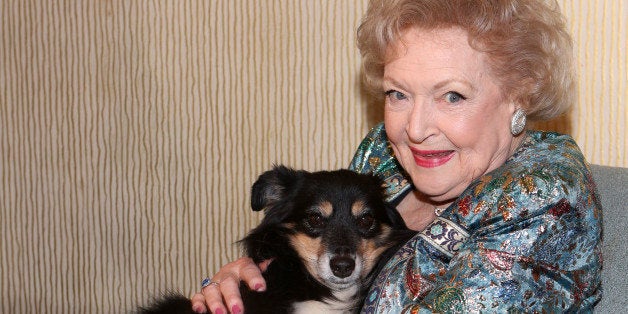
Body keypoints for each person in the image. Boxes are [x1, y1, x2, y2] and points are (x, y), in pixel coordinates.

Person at [191, 0, 602, 312]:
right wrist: (244, 281)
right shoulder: (385, 154)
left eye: (452, 95)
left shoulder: (544, 198)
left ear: (521, 92)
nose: (416, 128)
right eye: (398, 94)